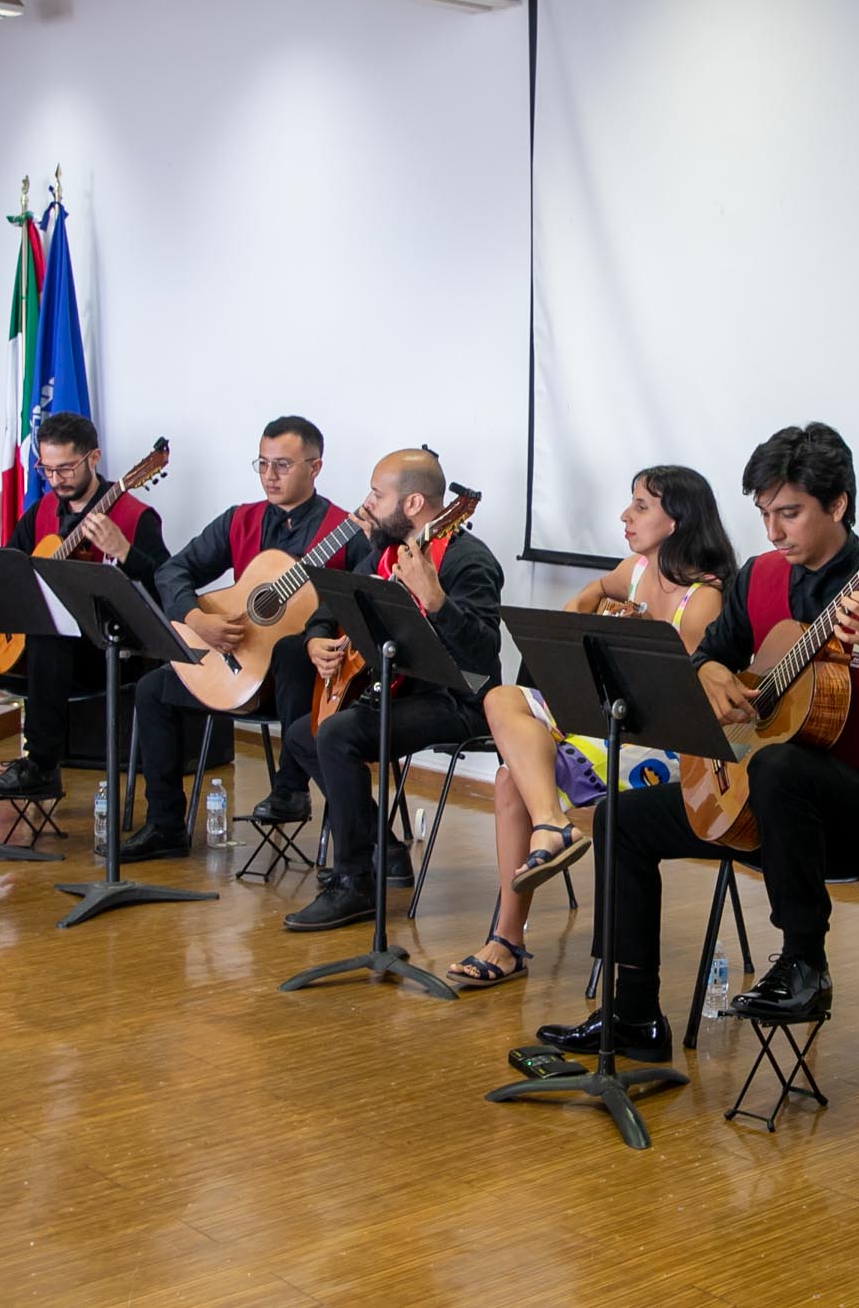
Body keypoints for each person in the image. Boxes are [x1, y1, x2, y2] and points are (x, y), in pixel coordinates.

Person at [534, 422, 859, 1061]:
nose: (773, 531)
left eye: (789, 513)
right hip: (764, 806)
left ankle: (803, 965)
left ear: (839, 505)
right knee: (619, 817)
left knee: (780, 767)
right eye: (764, 513)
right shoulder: (758, 578)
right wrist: (710, 672)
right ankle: (631, 1015)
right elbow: (710, 656)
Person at [444, 465, 732, 988]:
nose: (626, 515)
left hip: (658, 748)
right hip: (605, 725)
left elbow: (682, 702)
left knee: (510, 778)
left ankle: (508, 939)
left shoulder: (704, 600)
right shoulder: (636, 570)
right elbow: (586, 599)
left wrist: (640, 641)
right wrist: (590, 615)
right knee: (503, 696)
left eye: (641, 506)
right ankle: (551, 823)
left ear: (676, 521)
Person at [0, 412, 169, 832]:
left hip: (104, 654)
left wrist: (125, 551)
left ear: (93, 457)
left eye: (65, 468)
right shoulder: (40, 512)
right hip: (32, 655)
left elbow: (167, 585)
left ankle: (41, 765)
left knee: (48, 632)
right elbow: (3, 573)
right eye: (46, 468)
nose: (55, 479)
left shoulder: (135, 515)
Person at [117, 416, 371, 861]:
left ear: (315, 468)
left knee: (293, 652)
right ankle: (165, 825)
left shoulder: (344, 532)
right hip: (239, 668)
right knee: (151, 690)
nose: (269, 476)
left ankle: (291, 791)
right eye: (263, 463)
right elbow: (172, 569)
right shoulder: (239, 519)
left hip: (305, 684)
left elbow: (367, 605)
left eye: (283, 465)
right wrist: (196, 618)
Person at [279, 447, 504, 932]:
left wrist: (437, 601)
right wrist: (317, 638)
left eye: (378, 495)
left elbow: (483, 656)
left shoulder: (468, 560)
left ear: (413, 504)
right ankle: (385, 848)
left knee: (338, 734)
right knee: (303, 735)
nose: (367, 504)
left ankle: (355, 881)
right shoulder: (382, 553)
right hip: (400, 692)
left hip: (459, 702)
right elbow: (332, 603)